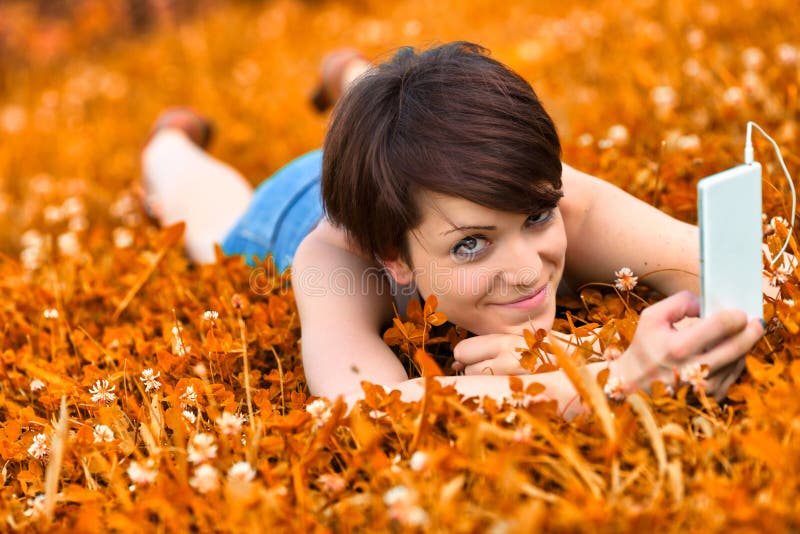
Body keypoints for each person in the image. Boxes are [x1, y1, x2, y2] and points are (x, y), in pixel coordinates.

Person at [141, 42, 765, 417]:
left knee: (401, 114)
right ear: (395, 258)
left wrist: (582, 349)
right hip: (292, 204)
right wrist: (601, 380)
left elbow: (733, 273)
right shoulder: (335, 261)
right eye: (471, 243)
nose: (526, 269)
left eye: (537, 217)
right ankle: (170, 141)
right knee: (205, 216)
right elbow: (363, 407)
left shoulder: (540, 190)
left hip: (419, 165)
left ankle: (353, 78)